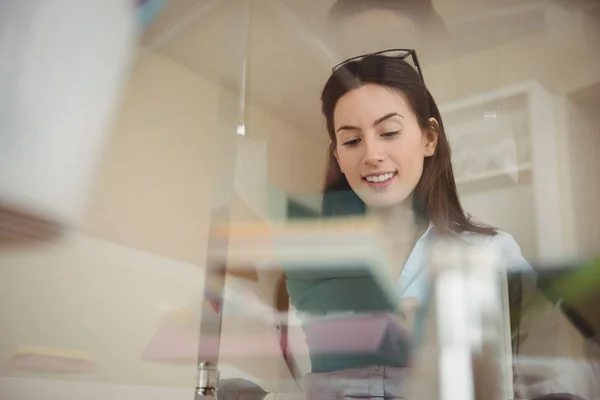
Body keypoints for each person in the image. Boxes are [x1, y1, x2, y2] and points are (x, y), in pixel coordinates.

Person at [281, 48, 530, 400]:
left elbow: (542, 379)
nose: (371, 154)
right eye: (352, 140)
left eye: (389, 132)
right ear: (338, 154)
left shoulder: (493, 253)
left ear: (429, 138)